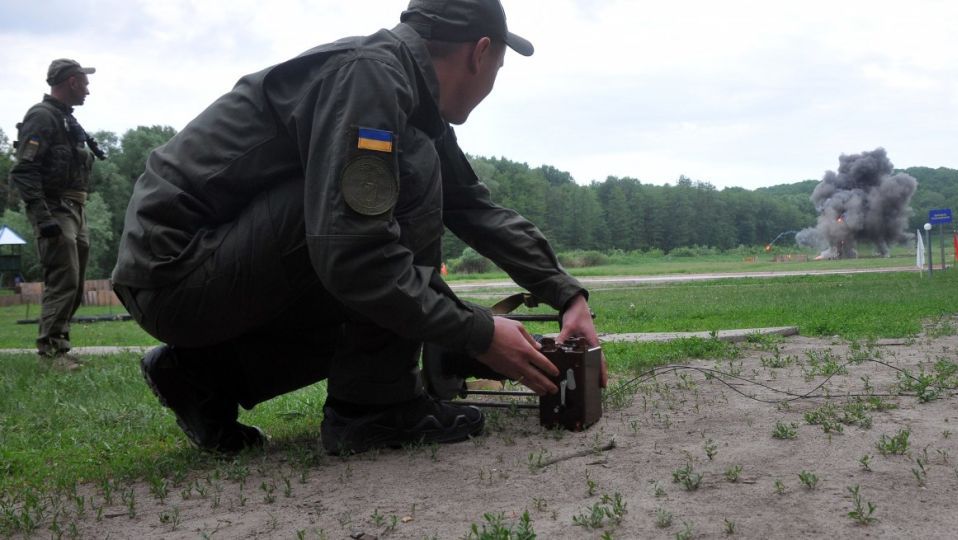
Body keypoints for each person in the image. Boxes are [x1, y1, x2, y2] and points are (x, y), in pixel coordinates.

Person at [112, 0, 606, 455]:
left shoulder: (404, 95)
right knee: (399, 189)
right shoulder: (372, 79)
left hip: (191, 272)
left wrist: (566, 295)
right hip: (178, 269)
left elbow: (472, 207)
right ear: (480, 53)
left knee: (390, 260)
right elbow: (354, 256)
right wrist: (478, 332)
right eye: (499, 66)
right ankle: (377, 408)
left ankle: (203, 377)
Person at [10, 58, 103, 371]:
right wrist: (42, 216)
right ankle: (51, 353)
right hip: (55, 208)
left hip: (76, 208)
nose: (88, 90)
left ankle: (59, 345)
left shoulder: (66, 120)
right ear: (73, 82)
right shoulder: (42, 117)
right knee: (62, 280)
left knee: (75, 284)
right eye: (85, 83)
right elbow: (24, 170)